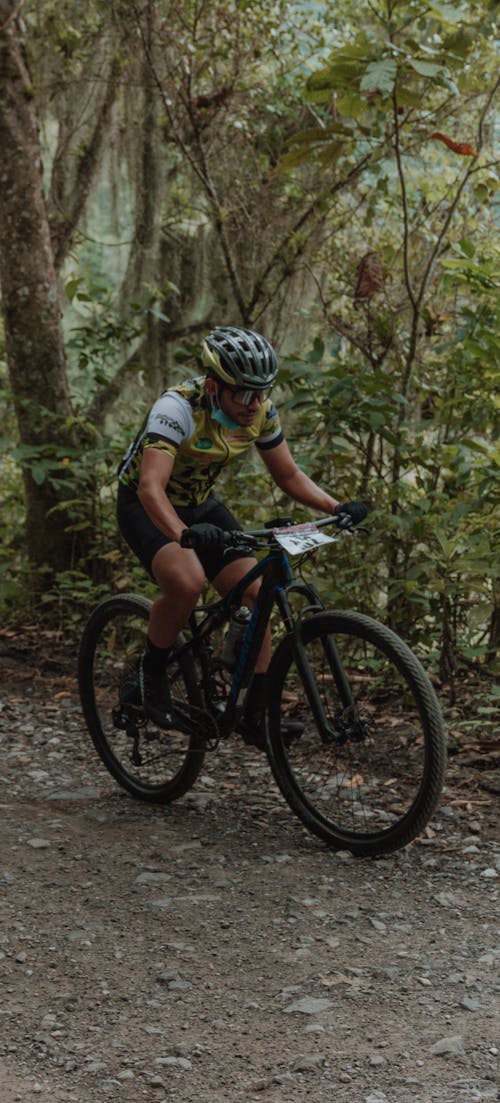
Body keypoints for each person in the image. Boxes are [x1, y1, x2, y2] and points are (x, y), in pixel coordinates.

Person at [117, 325, 367, 745]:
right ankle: (151, 674)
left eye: (262, 393)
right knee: (187, 581)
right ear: (214, 386)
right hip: (147, 504)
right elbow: (150, 487)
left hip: (201, 505)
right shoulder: (176, 408)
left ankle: (255, 713)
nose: (254, 404)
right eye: (244, 394)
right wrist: (183, 536)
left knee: (258, 591)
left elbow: (287, 473)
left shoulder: (262, 412)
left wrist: (336, 507)